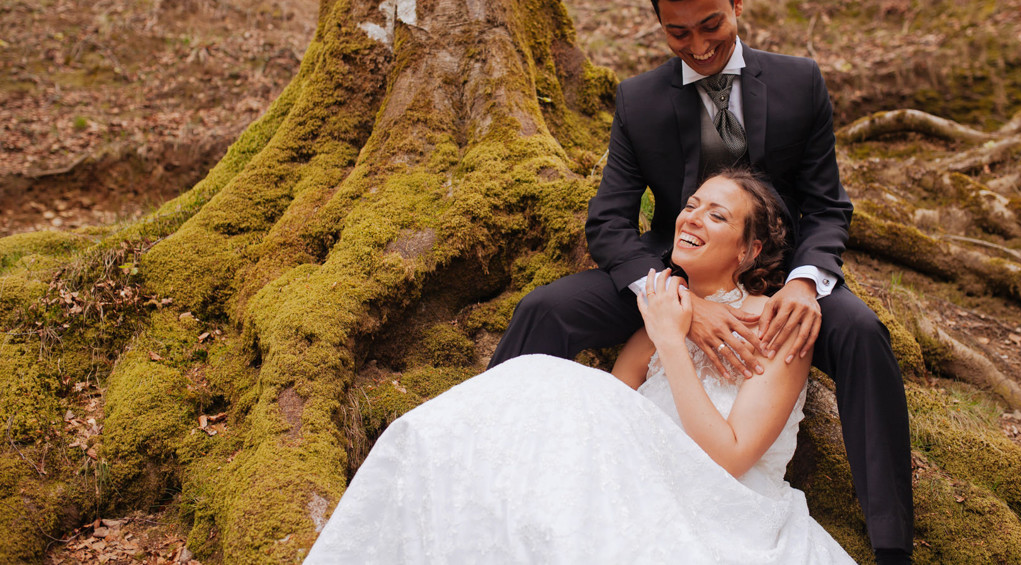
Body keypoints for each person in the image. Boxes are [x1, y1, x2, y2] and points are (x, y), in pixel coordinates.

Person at [489, 0, 913, 565]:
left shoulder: (799, 83)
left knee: (862, 334)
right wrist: (678, 299)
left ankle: (892, 544)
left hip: (776, 276)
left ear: (737, 3)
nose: (698, 45)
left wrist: (804, 283)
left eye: (711, 24)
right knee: (546, 308)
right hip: (671, 268)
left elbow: (826, 206)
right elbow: (608, 222)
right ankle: (496, 458)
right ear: (660, 24)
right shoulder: (640, 100)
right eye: (677, 32)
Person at [305, 170, 856, 563]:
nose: (692, 217)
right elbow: (608, 417)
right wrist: (668, 329)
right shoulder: (658, 317)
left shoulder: (776, 327)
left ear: (749, 251)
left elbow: (732, 458)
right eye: (691, 205)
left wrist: (671, 341)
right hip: (632, 479)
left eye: (718, 215)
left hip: (718, 502)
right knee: (531, 389)